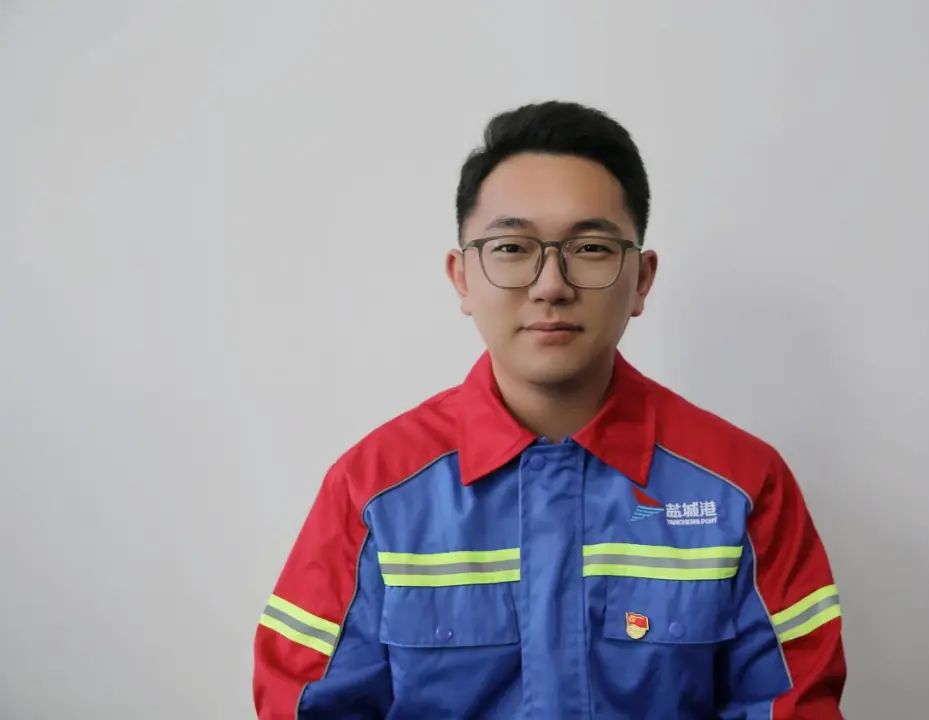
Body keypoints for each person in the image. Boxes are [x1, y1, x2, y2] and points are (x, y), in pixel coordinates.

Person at [253, 100, 846, 719]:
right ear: (462, 277)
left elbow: (791, 704)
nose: (551, 285)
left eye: (590, 247)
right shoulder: (373, 490)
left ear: (642, 279)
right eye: (512, 246)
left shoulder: (742, 486)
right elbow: (304, 705)